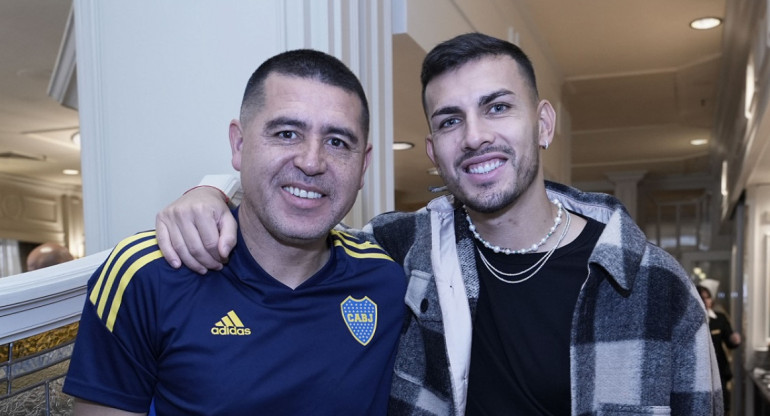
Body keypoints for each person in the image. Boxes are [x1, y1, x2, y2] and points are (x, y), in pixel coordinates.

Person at [156, 33, 723, 415]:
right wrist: (211, 189)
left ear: (543, 123)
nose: (475, 136)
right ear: (433, 150)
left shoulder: (655, 287)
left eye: (498, 107)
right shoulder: (401, 250)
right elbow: (304, 197)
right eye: (451, 120)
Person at [62, 49, 407, 415]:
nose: (311, 161)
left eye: (337, 142)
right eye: (287, 133)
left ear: (363, 165)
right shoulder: (145, 275)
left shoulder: (388, 279)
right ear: (239, 145)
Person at [698, 285, 741, 413]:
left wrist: (734, 340)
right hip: (699, 372)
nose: (706, 301)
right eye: (702, 298)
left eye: (708, 298)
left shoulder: (720, 318)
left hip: (719, 370)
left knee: (721, 406)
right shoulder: (690, 320)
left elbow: (730, 342)